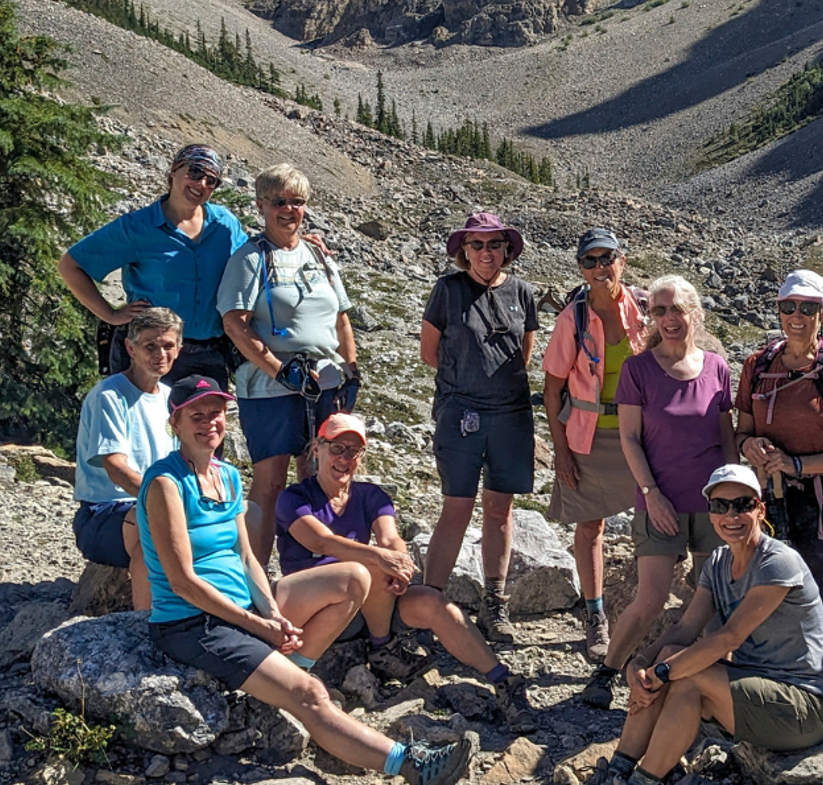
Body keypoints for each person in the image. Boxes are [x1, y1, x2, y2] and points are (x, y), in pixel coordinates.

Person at [139, 375, 479, 785]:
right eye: (197, 415)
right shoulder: (165, 483)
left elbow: (247, 559)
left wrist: (271, 614)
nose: (210, 423)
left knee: (352, 578)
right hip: (194, 622)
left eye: (217, 413)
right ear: (177, 423)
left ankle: (281, 679)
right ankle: (411, 765)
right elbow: (182, 581)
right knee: (311, 693)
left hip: (242, 608)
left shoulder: (226, 475)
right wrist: (257, 625)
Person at [558, 464, 823, 785]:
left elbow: (730, 636)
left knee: (686, 675)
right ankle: (620, 776)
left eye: (742, 504)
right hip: (755, 691)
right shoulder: (720, 562)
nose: (731, 516)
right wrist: (641, 664)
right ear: (709, 511)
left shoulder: (778, 562)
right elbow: (684, 629)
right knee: (676, 658)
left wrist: (662, 672)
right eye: (720, 505)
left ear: (760, 509)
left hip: (803, 705)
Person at [277, 413, 537, 732]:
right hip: (317, 606)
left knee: (429, 600)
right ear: (317, 449)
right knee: (367, 566)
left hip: (367, 606)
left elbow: (390, 537)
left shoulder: (371, 496)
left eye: (353, 451)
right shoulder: (295, 498)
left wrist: (398, 561)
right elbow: (321, 540)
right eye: (337, 448)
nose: (344, 458)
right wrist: (383, 558)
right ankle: (383, 646)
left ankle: (503, 679)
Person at [576, 275, 735, 710]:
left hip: (713, 505)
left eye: (676, 310)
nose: (668, 319)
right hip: (658, 499)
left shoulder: (717, 367)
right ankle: (607, 672)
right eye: (659, 311)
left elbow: (726, 439)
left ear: (694, 314)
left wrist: (736, 499)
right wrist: (652, 492)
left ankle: (686, 678)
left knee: (713, 597)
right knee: (650, 597)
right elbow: (629, 438)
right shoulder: (638, 369)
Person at [734, 269, 823, 699]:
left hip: (821, 502)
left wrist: (796, 464)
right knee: (766, 594)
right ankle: (770, 688)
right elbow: (741, 432)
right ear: (778, 310)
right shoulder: (757, 367)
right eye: (789, 307)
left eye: (808, 308)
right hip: (767, 501)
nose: (797, 316)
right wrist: (751, 445)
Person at [219, 163, 359, 568]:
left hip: (326, 383)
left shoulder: (318, 254)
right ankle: (255, 578)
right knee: (270, 481)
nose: (288, 210)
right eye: (279, 202)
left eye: (297, 202)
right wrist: (277, 368)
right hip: (270, 389)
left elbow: (341, 318)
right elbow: (234, 323)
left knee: (318, 478)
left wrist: (352, 371)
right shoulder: (250, 260)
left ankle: (310, 571)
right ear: (261, 205)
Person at [420, 211, 541, 643]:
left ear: (506, 249)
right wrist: (465, 383)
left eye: (494, 244)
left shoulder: (522, 293)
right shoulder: (448, 290)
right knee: (457, 504)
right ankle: (428, 600)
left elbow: (522, 355)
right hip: (460, 411)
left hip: (509, 413)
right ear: (463, 251)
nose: (486, 253)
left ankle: (495, 601)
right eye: (477, 245)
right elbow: (429, 351)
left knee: (500, 507)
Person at [540, 228, 648, 661]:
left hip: (640, 433)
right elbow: (551, 390)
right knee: (591, 527)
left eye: (608, 258)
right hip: (589, 435)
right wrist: (561, 452)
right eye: (590, 261)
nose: (600, 268)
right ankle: (596, 616)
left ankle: (647, 610)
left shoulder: (644, 309)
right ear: (580, 268)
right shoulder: (574, 317)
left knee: (655, 518)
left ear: (622, 261)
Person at [58, 143, 246, 385]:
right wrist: (111, 315)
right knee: (142, 422)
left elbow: (251, 260)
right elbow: (71, 266)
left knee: (204, 422)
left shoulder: (225, 224)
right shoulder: (138, 227)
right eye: (195, 172)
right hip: (149, 352)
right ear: (174, 170)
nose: (201, 184)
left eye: (212, 180)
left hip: (208, 353)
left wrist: (290, 242)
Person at [71, 307, 182, 610]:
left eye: (168, 346)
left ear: (179, 348)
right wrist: (163, 499)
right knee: (156, 528)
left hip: (152, 503)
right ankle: (144, 624)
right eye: (150, 346)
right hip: (104, 512)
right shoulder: (110, 395)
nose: (160, 353)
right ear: (131, 348)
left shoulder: (170, 399)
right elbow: (116, 468)